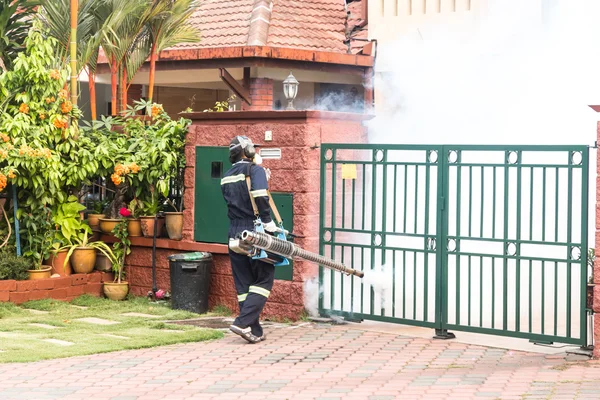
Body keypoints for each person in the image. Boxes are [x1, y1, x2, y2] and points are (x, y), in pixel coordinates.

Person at [221, 135, 277, 343]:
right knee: (263, 279)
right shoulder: (255, 170)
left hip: (234, 232)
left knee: (244, 282)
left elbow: (240, 197)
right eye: (253, 148)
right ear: (247, 151)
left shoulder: (227, 175)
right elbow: (260, 195)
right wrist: (268, 222)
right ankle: (242, 322)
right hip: (255, 231)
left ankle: (253, 329)